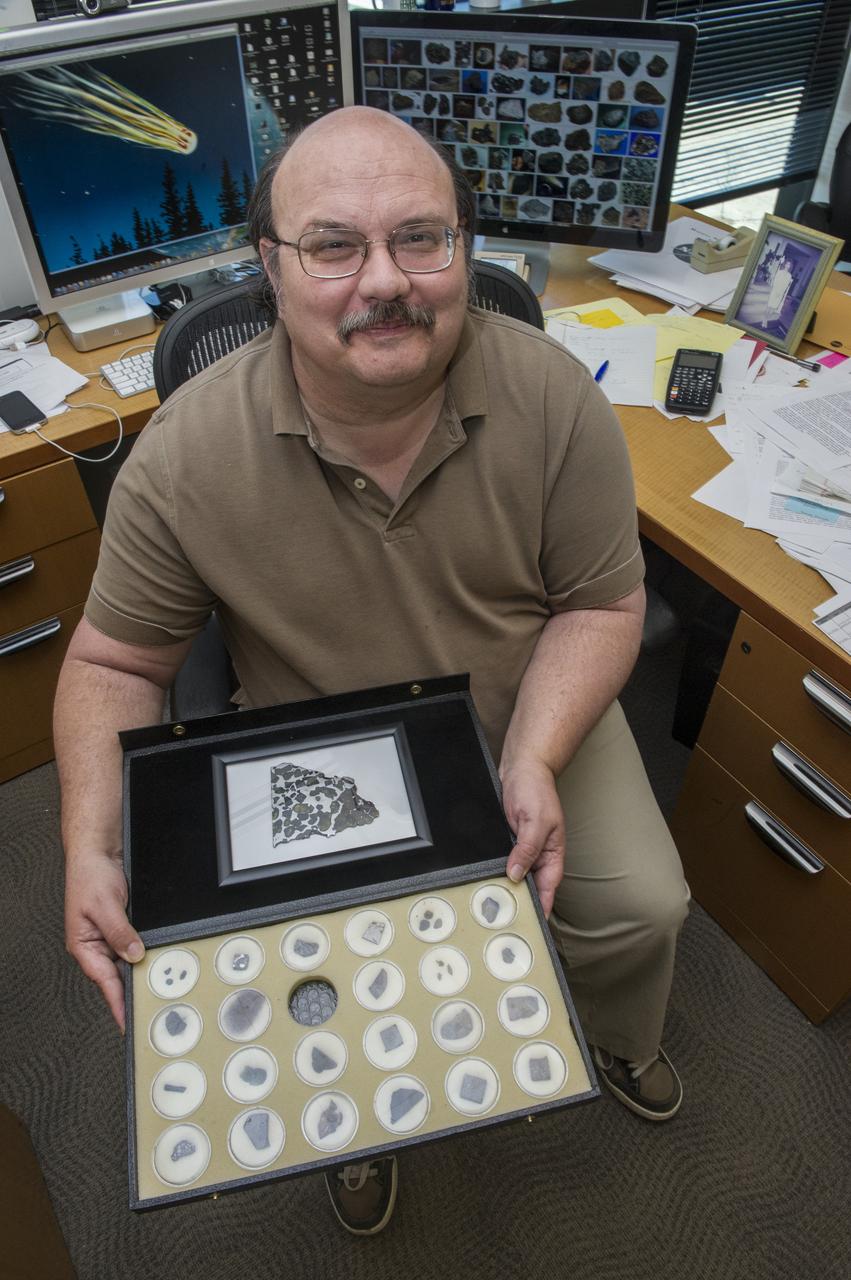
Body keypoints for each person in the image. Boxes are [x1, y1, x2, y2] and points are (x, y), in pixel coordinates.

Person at [54, 107, 689, 1237]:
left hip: (522, 707)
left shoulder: (556, 400)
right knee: (329, 979)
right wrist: (90, 843)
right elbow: (113, 661)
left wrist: (535, 753)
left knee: (643, 903)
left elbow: (601, 602)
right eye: (334, 244)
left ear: (463, 248)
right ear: (270, 265)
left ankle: (616, 1038)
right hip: (315, 745)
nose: (384, 281)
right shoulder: (188, 450)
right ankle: (348, 1122)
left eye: (420, 238)